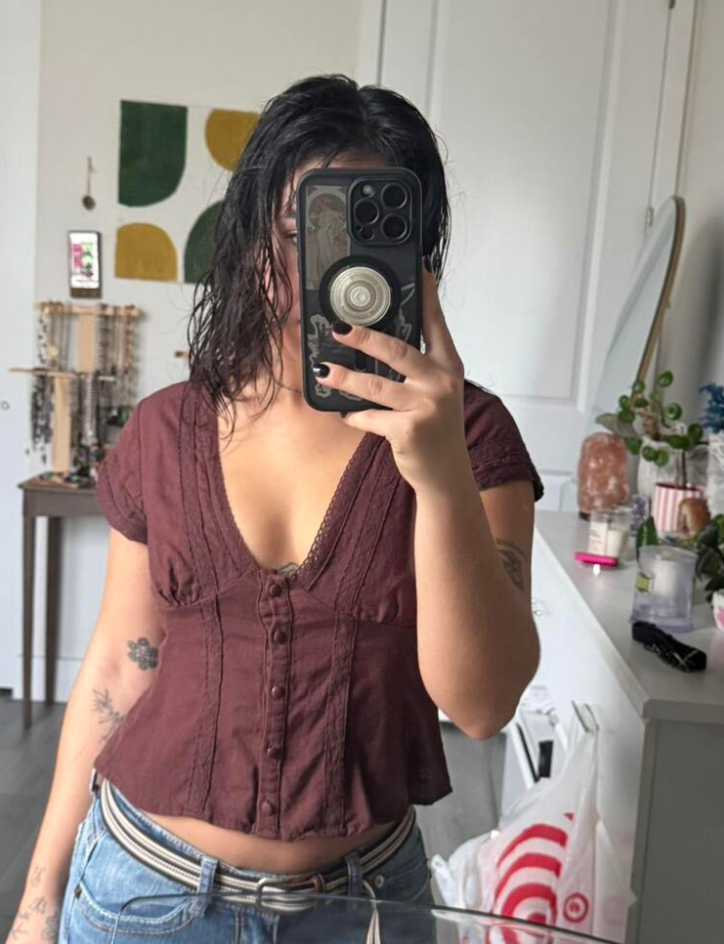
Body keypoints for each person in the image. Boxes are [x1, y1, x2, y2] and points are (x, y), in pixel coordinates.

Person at [7, 73, 544, 944]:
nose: (324, 269)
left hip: (362, 909)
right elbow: (116, 668)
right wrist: (37, 906)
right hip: (141, 896)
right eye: (301, 229)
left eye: (366, 232)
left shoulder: (471, 437)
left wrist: (441, 475)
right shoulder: (167, 429)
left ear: (415, 254)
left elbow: (482, 706)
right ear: (252, 232)